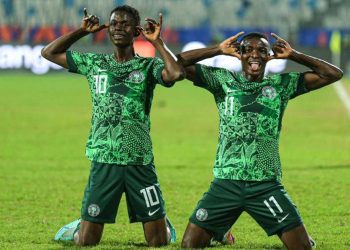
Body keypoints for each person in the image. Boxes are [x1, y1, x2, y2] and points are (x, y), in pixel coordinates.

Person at [176, 31, 343, 249]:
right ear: (240, 54)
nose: (255, 55)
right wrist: (217, 49)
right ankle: (222, 230)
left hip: (265, 184)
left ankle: (221, 227)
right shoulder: (222, 80)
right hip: (226, 182)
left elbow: (333, 74)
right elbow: (176, 65)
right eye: (248, 50)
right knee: (189, 245)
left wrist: (295, 55)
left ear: (269, 56)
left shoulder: (281, 85)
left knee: (303, 247)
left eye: (262, 50)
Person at [41, 5, 184, 247]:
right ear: (108, 29)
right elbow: (48, 53)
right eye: (114, 23)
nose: (118, 28)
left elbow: (175, 73)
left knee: (158, 242)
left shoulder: (148, 67)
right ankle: (79, 226)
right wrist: (81, 31)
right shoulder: (94, 63)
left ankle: (164, 223)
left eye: (125, 24)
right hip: (104, 158)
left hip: (139, 160)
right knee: (86, 241)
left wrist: (157, 42)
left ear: (136, 30)